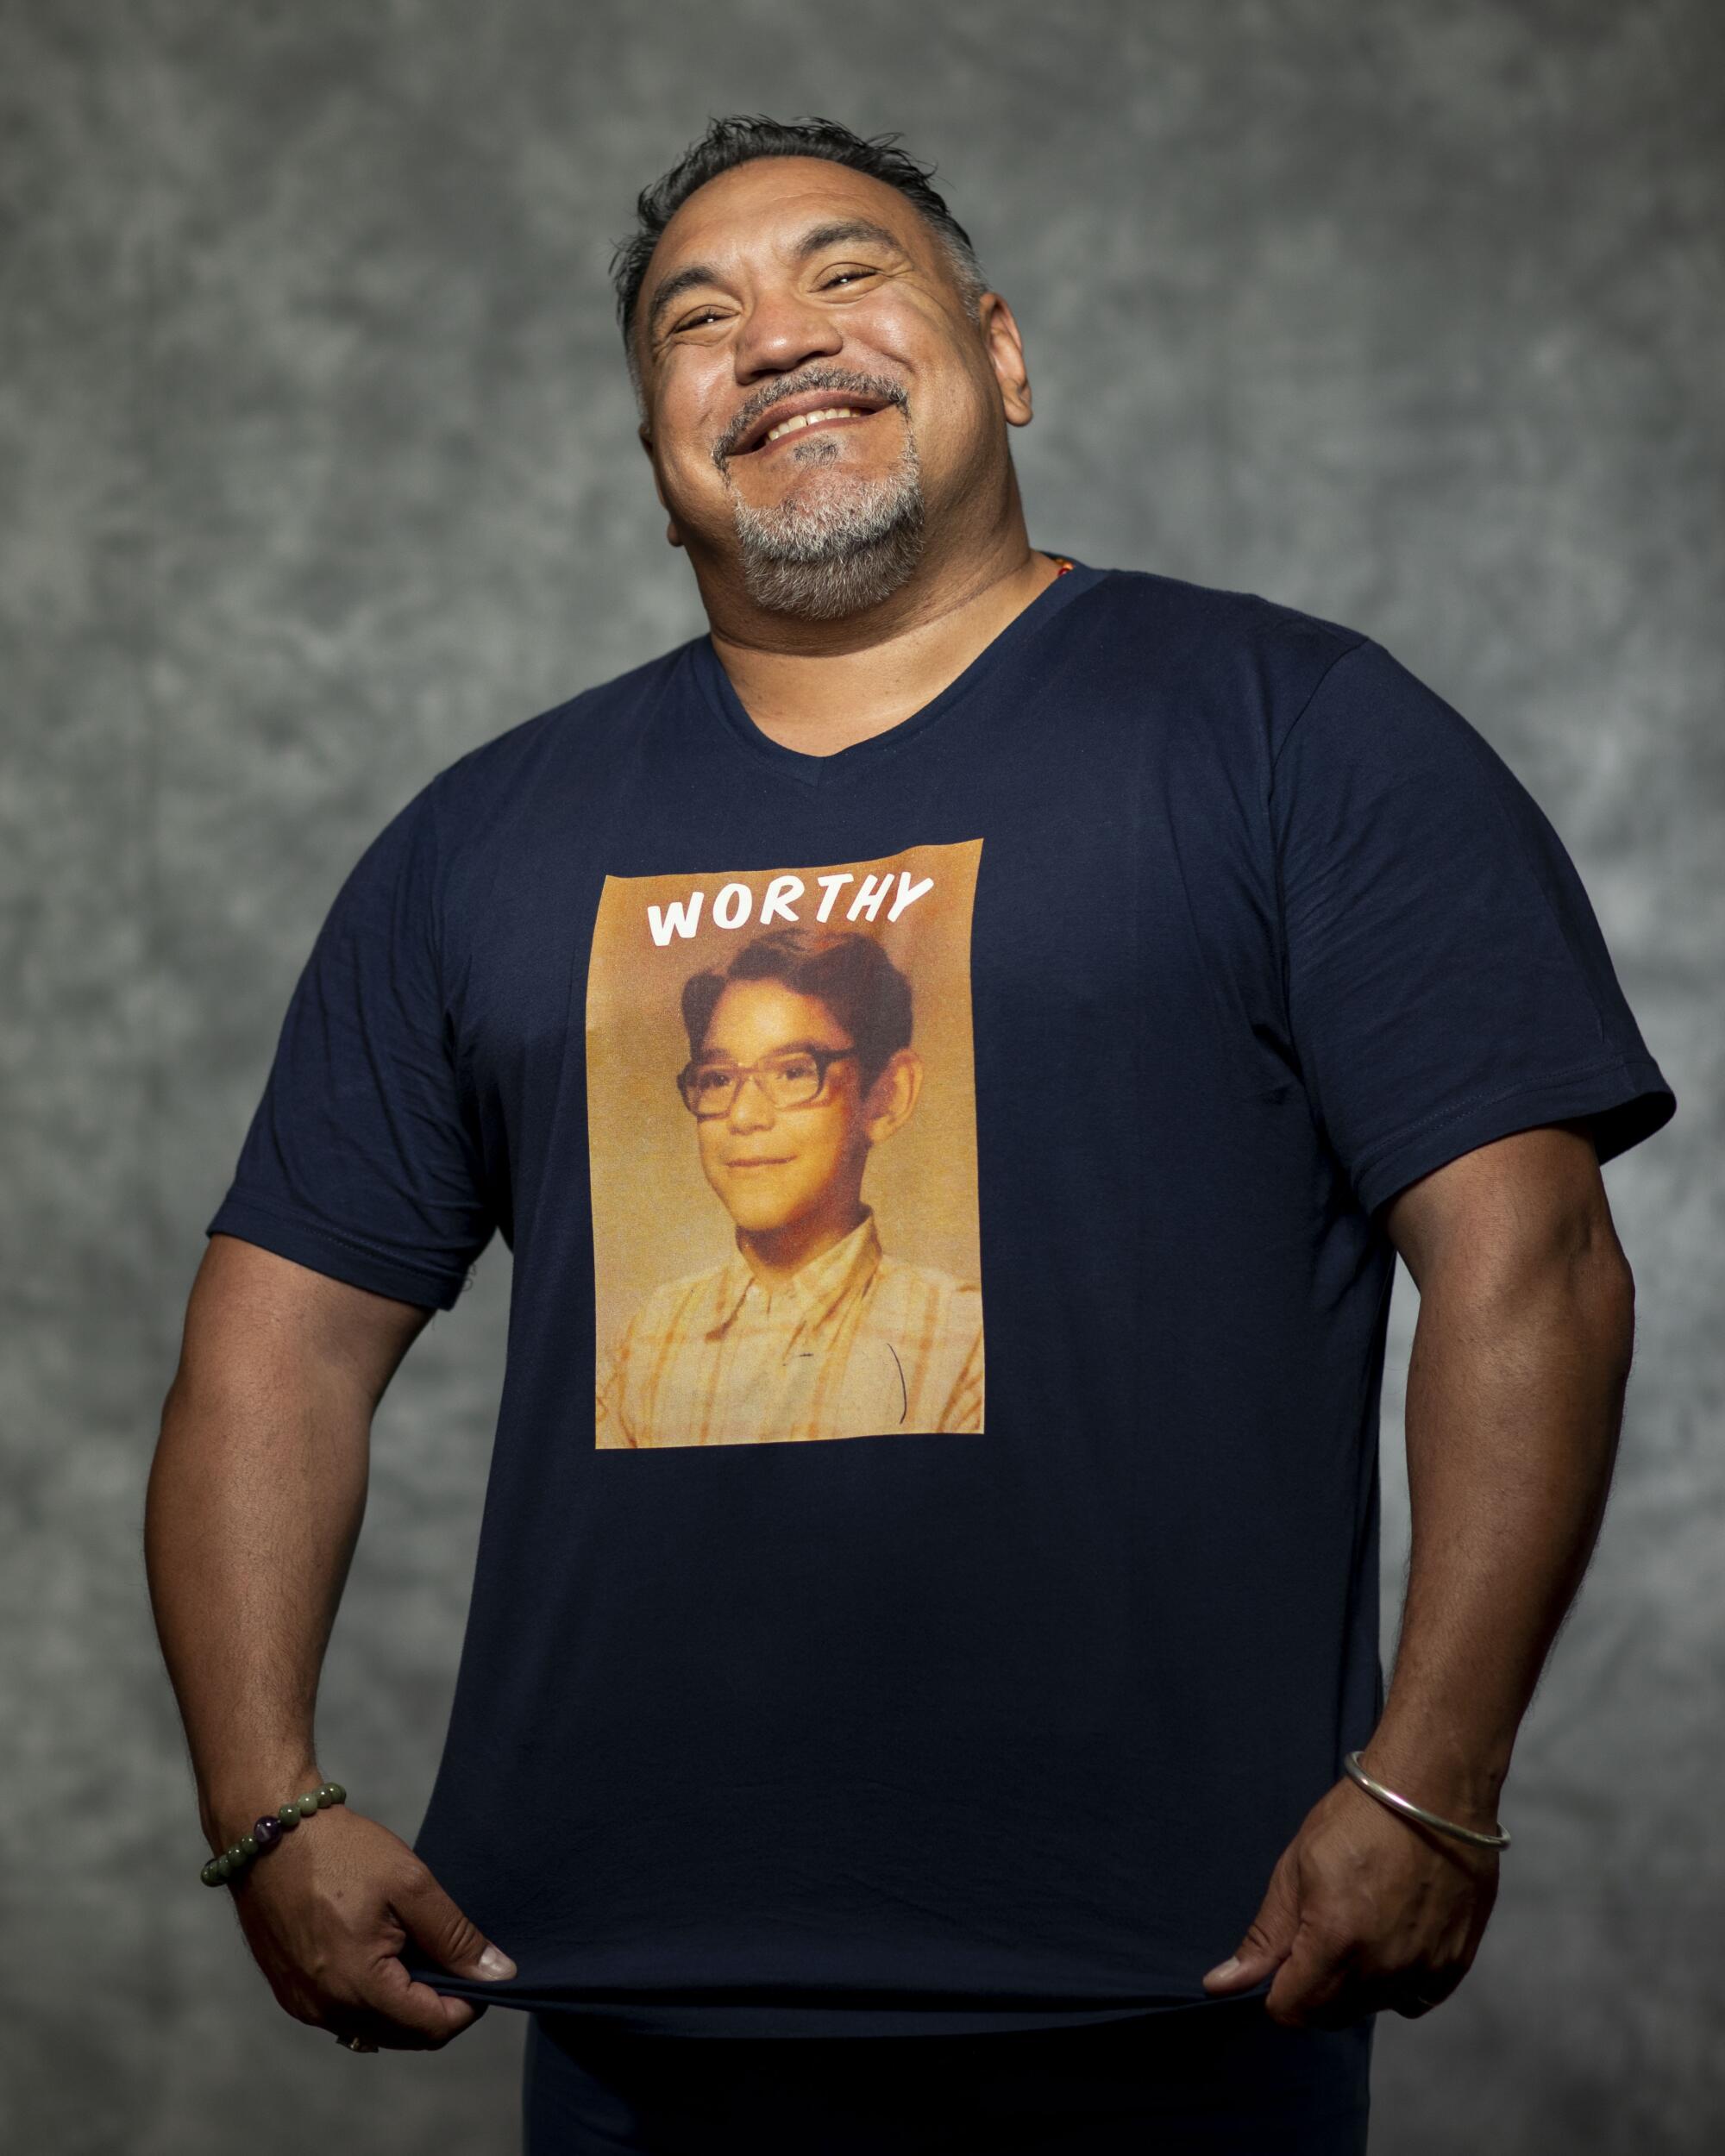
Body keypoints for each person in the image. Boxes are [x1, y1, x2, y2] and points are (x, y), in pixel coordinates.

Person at [146, 112, 1676, 2153]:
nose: (775, 337)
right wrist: (263, 1802)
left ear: (1001, 352)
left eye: (844, 275)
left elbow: (1530, 1261)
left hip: (1190, 1986)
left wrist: (1428, 1777)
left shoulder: (1291, 733)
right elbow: (279, 1338)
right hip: (626, 2008)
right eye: (700, 318)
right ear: (650, 444)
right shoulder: (475, 848)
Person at [595, 923, 985, 1447]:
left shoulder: (963, 1343)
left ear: (888, 1097)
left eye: (795, 1073)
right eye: (717, 1080)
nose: (745, 1116)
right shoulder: (648, 1339)